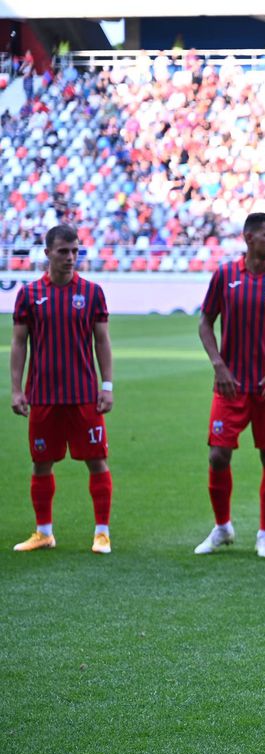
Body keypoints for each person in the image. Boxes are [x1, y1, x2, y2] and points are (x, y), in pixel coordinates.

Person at [193, 212, 265, 559]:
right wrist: (218, 365)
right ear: (248, 238)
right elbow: (205, 322)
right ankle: (222, 527)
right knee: (218, 454)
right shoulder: (225, 275)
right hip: (230, 385)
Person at [10, 225, 115, 554]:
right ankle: (44, 533)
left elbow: (102, 341)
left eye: (75, 251)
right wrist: (16, 389)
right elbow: (18, 344)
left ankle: (102, 533)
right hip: (42, 396)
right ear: (48, 254)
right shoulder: (28, 295)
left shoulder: (93, 292)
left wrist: (107, 386)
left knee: (97, 460)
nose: (70, 258)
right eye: (63, 252)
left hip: (84, 396)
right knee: (41, 463)